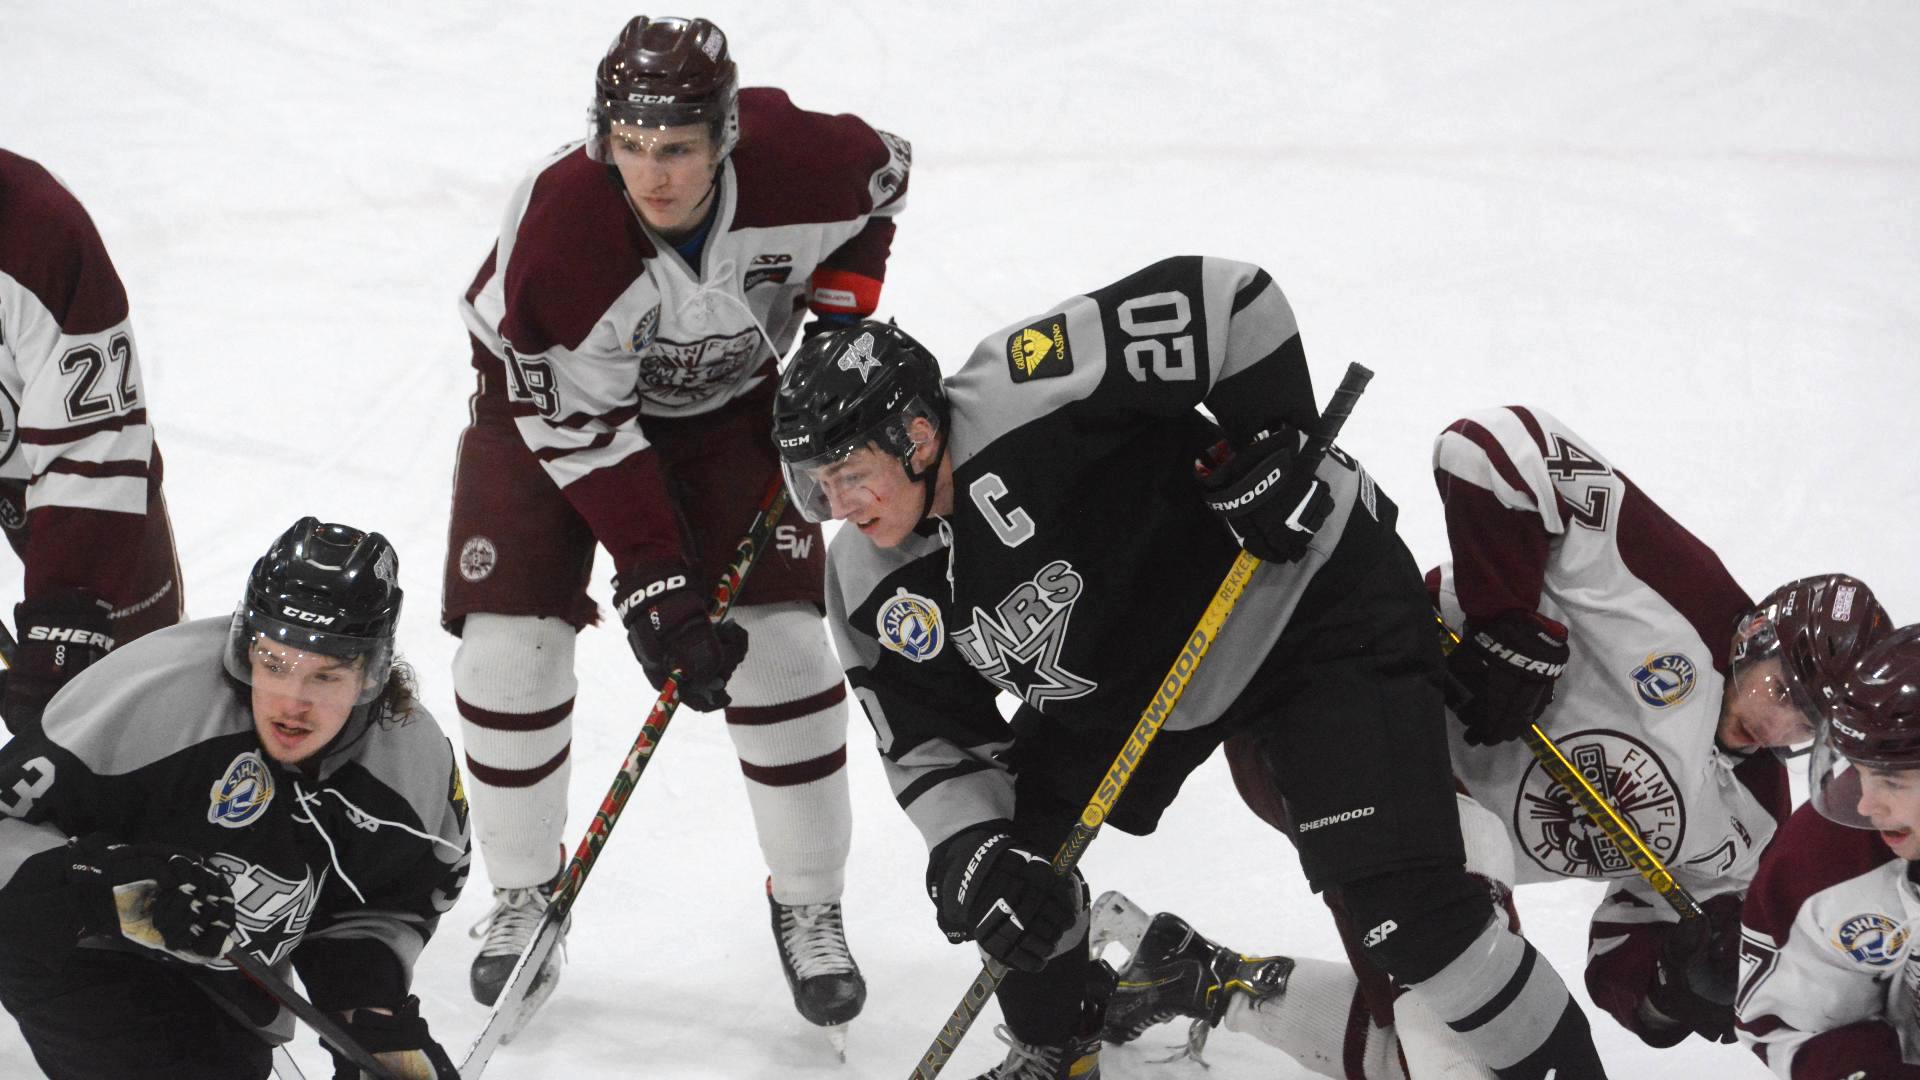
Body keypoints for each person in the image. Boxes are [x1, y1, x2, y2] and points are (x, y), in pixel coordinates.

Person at [773, 257, 1608, 1080]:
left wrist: (1274, 441)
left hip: (1300, 607)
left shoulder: (1026, 387)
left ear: (917, 437)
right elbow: (930, 742)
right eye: (817, 485)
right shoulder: (870, 581)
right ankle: (1055, 1047)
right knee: (1008, 879)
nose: (836, 507)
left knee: (1411, 917)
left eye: (850, 476)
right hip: (1128, 688)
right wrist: (972, 851)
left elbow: (1226, 300)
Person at [1086, 406, 1893, 1077]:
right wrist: (1506, 618)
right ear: (1758, 632)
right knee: (1475, 1015)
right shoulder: (1679, 593)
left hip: (1406, 844)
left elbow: (1624, 954)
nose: (1777, 725)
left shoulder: (1753, 829)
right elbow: (1493, 447)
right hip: (1331, 709)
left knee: (1425, 1043)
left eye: (1806, 723)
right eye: (1782, 689)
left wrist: (1678, 983)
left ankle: (1199, 979)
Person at [441, 13, 908, 1035]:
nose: (652, 175)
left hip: (730, 408)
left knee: (786, 656)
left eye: (679, 149)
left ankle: (809, 904)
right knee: (509, 654)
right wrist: (655, 579)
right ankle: (524, 897)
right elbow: (587, 434)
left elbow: (888, 179)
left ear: (726, 134)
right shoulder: (563, 239)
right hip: (546, 411)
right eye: (632, 144)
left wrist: (844, 303)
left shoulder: (807, 160)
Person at [0, 517, 467, 1079]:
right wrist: (97, 880)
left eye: (325, 677)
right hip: (84, 949)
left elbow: (381, 906)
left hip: (228, 985)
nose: (292, 703)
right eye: (275, 665)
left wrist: (368, 1017)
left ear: (372, 673)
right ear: (247, 648)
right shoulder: (152, 695)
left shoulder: (411, 764)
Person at [0, 149, 185, 734]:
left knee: (141, 696)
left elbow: (96, 443)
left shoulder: (35, 229)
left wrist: (65, 621)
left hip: (54, 481)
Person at [1736, 624, 1920, 1078]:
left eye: (1891, 781)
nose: (1866, 805)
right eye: (1860, 771)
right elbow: (1788, 1028)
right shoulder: (1825, 859)